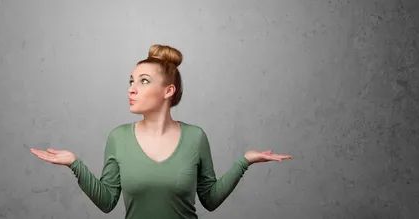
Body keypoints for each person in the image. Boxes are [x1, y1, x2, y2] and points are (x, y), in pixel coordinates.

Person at [30, 44, 292, 218]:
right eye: (131, 81)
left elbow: (210, 200)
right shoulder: (118, 137)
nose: (132, 89)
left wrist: (244, 161)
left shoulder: (195, 137)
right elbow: (108, 201)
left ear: (169, 91)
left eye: (144, 81)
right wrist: (74, 163)